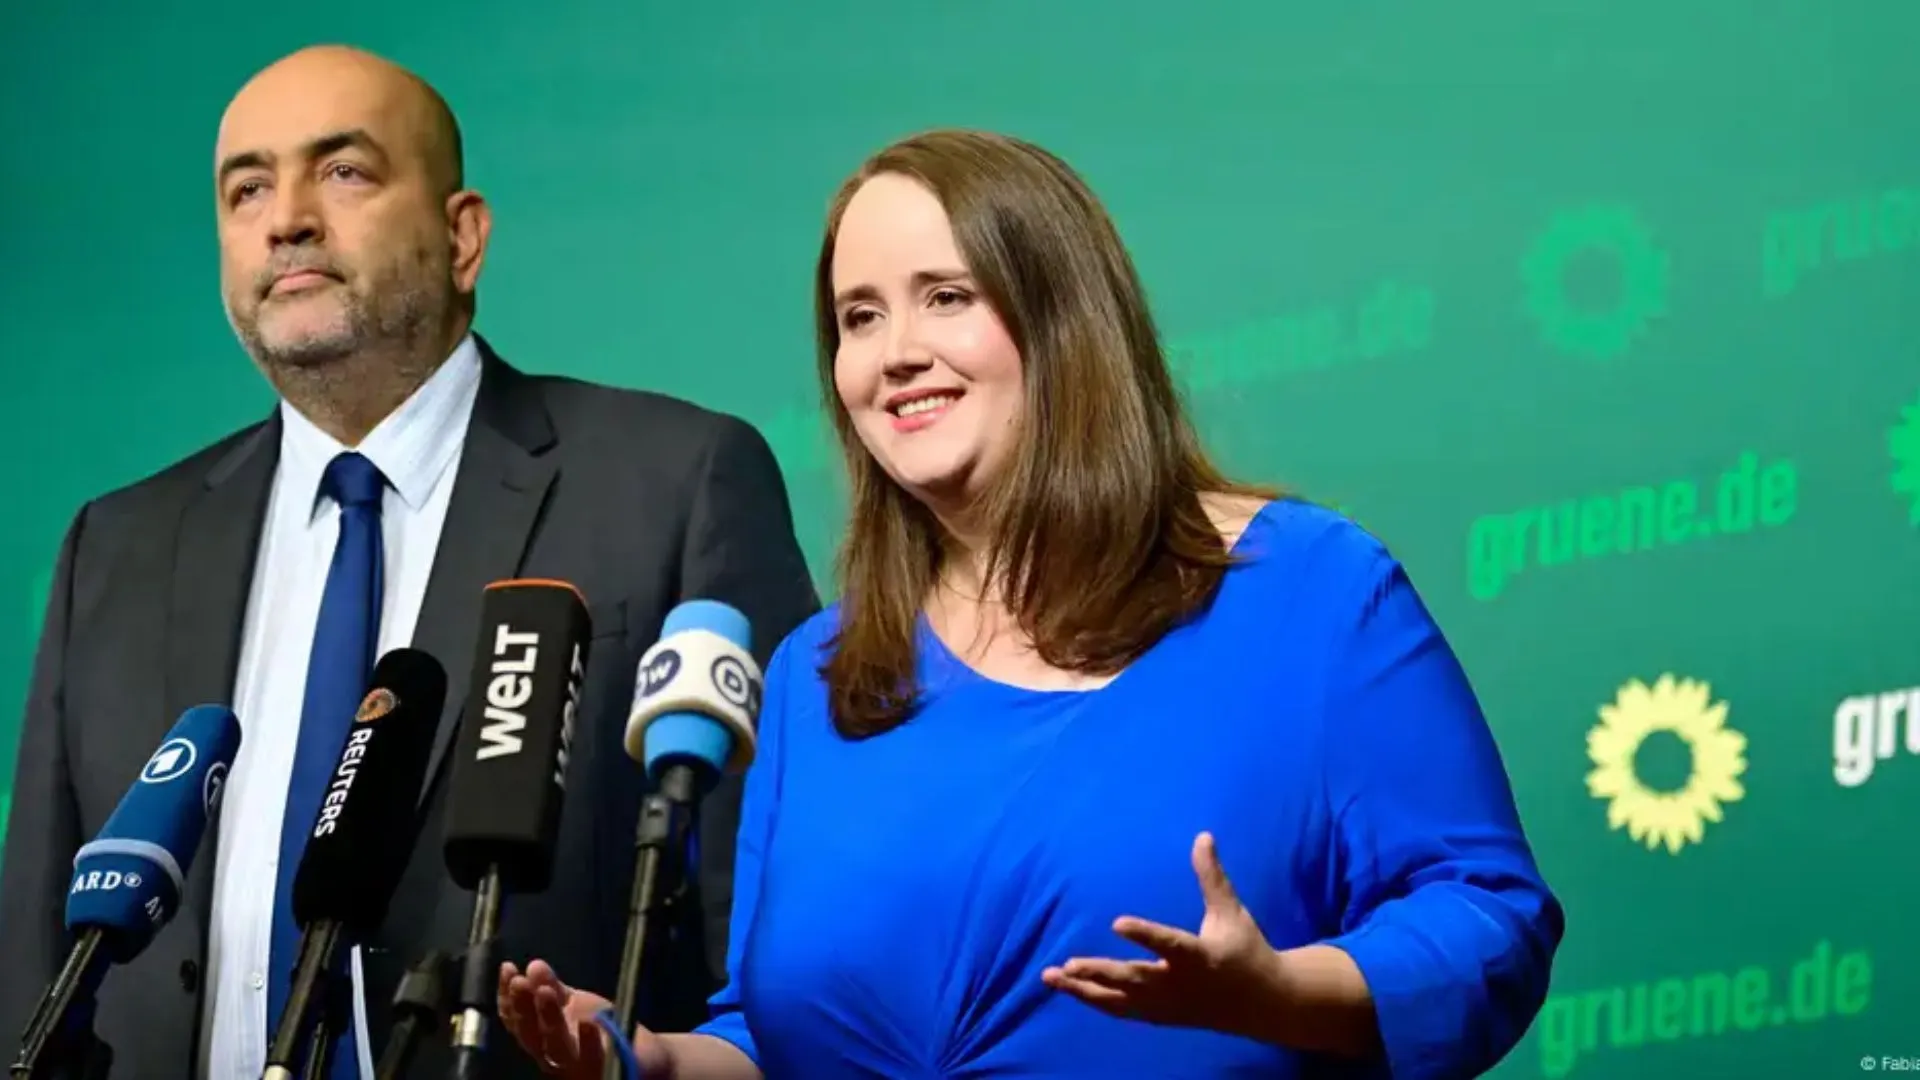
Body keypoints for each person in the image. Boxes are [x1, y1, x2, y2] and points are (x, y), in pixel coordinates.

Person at [497, 129, 1563, 1078]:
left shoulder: (1308, 589)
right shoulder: (816, 678)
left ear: (1064, 317)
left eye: (946, 297)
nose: (895, 352)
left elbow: (1488, 919)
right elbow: (775, 1035)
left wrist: (1282, 994)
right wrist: (653, 1062)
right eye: (858, 318)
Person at [0, 45, 818, 1080]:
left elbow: (772, 942)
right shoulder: (115, 548)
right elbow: (35, 955)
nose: (286, 217)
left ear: (462, 236)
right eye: (247, 187)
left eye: (343, 172)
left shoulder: (673, 483)